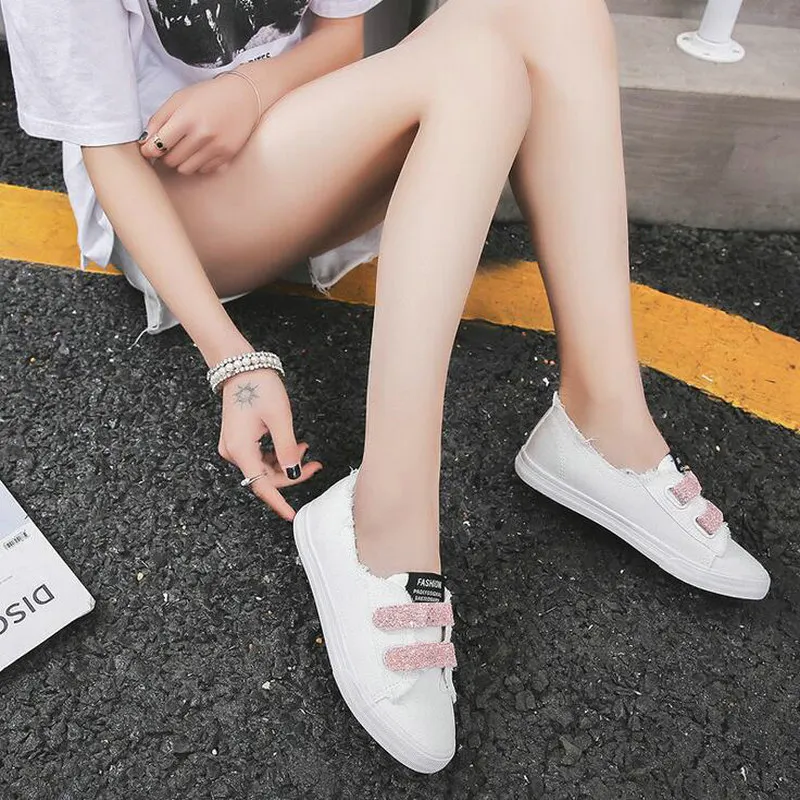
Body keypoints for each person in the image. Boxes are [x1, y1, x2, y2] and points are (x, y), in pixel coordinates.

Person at [2, 0, 770, 774]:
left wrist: (251, 92)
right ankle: (383, 521)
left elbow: (343, 35)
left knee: (554, 9)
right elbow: (108, 154)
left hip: (306, 142)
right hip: (176, 210)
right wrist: (231, 357)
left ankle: (602, 417)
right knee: (475, 64)